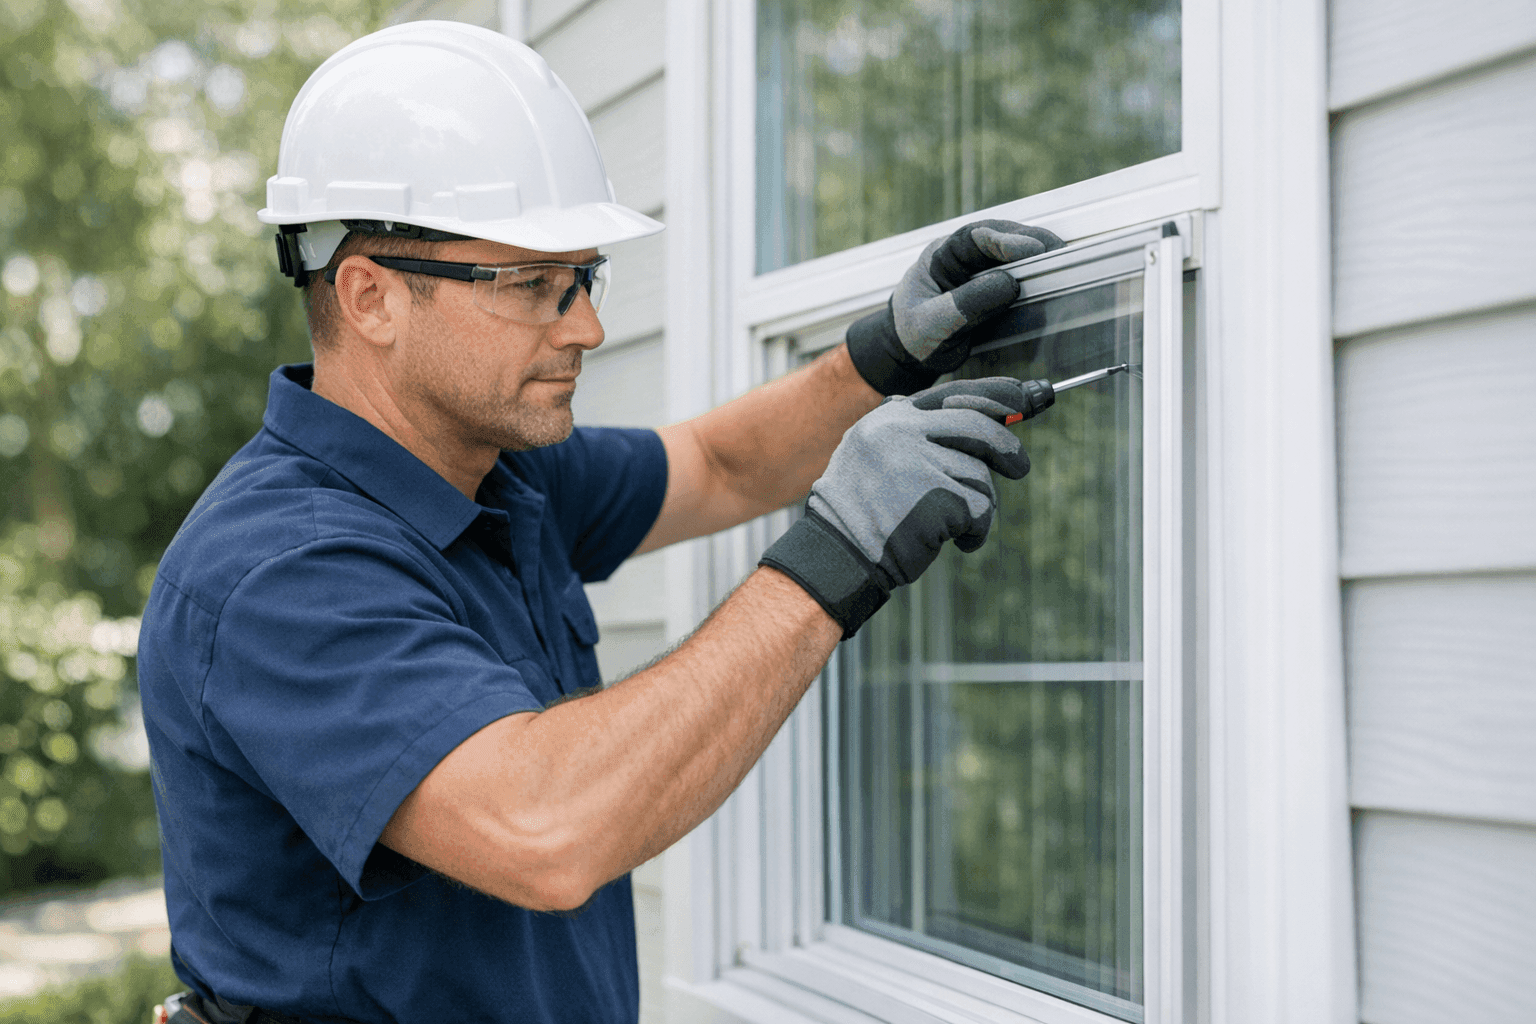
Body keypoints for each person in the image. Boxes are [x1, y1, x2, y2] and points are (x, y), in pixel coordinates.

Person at [138, 20, 1064, 1024]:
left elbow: (718, 463)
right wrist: (836, 557)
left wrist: (884, 356)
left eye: (584, 277)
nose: (586, 326)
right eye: (534, 286)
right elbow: (546, 827)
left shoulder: (499, 471)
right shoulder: (277, 571)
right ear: (370, 297)